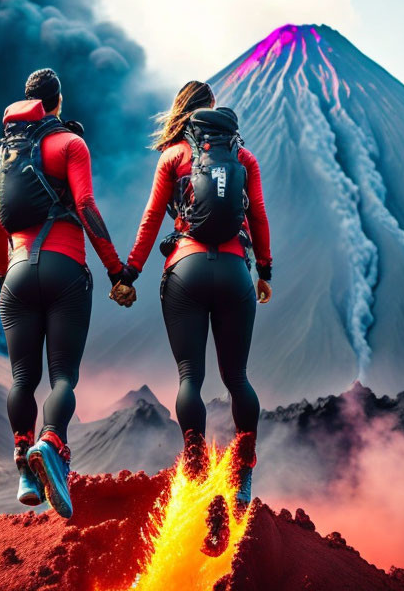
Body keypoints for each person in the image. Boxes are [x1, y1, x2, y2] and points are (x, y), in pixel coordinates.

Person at [113, 80, 272, 512]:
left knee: (190, 378)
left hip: (184, 268)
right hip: (236, 270)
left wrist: (129, 273)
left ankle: (197, 468)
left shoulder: (173, 157)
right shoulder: (243, 157)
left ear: (184, 114)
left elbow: (150, 220)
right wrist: (265, 271)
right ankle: (242, 474)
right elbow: (257, 215)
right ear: (216, 114)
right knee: (237, 377)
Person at [0, 68, 136, 518]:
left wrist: (3, 277)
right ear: (58, 102)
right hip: (65, 269)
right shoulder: (70, 145)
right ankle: (51, 443)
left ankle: (24, 466)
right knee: (63, 377)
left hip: (15, 275)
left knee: (21, 380)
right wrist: (116, 272)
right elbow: (86, 207)